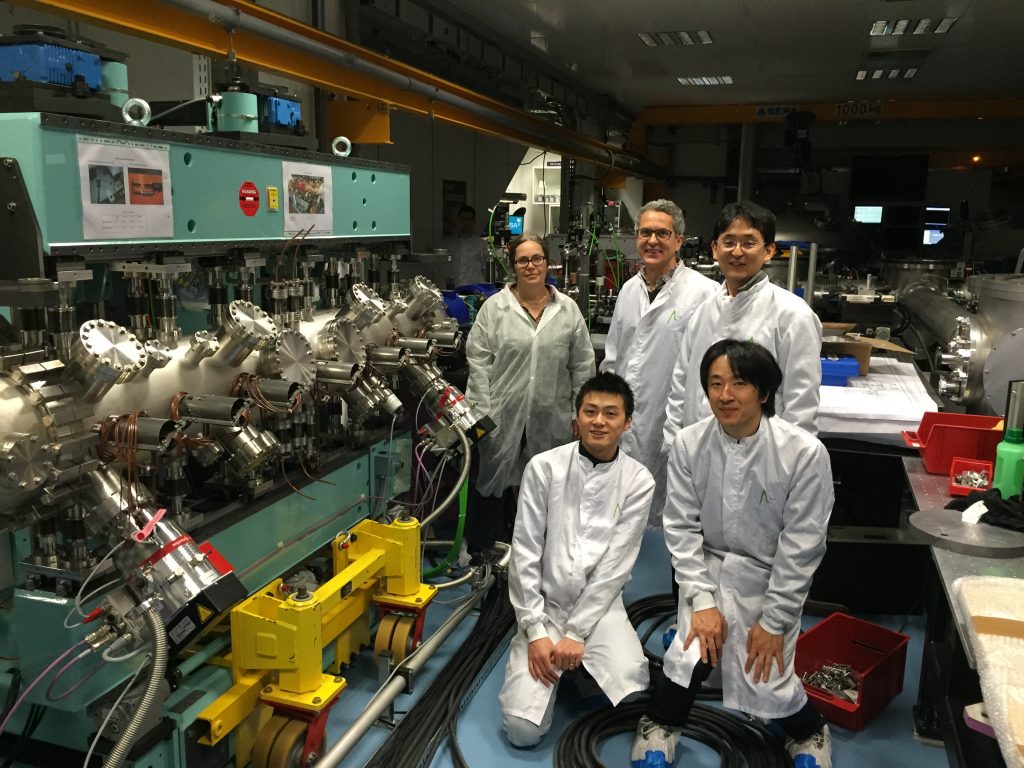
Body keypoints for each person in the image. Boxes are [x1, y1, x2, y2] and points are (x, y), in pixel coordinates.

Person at [633, 339, 834, 768]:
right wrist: (702, 601)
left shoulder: (802, 454)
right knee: (690, 652)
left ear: (764, 392)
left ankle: (809, 731)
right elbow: (681, 527)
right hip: (707, 565)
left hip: (769, 575)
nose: (725, 395)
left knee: (764, 672)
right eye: (715, 383)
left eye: (739, 383)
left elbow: (802, 546)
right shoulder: (689, 443)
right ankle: (661, 723)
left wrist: (774, 621)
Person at [500, 372, 655, 747]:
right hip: (545, 605)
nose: (599, 421)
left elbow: (616, 567)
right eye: (590, 411)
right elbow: (524, 550)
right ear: (577, 418)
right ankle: (551, 660)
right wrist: (535, 632)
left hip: (600, 608)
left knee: (631, 689)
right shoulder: (544, 467)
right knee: (522, 731)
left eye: (610, 413)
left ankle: (579, 670)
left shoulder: (638, 481)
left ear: (627, 422)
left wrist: (576, 633)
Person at [464, 234, 595, 553]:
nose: (530, 266)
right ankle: (481, 555)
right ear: (513, 266)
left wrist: (581, 412)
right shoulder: (495, 309)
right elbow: (478, 362)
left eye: (537, 258)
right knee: (490, 484)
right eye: (522, 260)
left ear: (547, 263)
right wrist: (481, 415)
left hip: (551, 416)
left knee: (550, 488)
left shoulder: (567, 310)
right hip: (502, 416)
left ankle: (548, 556)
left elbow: (582, 365)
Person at [663, 201, 822, 446]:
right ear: (715, 249)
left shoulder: (793, 315)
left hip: (762, 455)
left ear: (769, 250)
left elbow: (801, 406)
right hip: (699, 452)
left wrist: (789, 460)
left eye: (748, 243)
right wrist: (674, 445)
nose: (737, 252)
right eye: (728, 242)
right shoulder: (704, 312)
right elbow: (680, 386)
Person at [600, 199, 717, 525]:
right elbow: (614, 358)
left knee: (670, 513)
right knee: (623, 507)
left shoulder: (704, 293)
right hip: (627, 420)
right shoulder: (628, 290)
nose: (652, 241)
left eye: (662, 233)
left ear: (678, 240)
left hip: (675, 420)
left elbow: (710, 369)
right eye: (645, 233)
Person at [440, 204, 489, 286]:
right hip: (453, 289)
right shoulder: (447, 244)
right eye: (462, 219)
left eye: (468, 220)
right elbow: (441, 270)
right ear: (457, 220)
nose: (465, 223)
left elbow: (486, 270)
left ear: (473, 222)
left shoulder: (481, 245)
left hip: (474, 290)